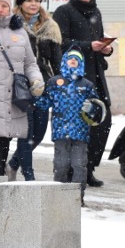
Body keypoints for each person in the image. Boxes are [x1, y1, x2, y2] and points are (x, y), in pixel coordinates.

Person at [52, 0, 113, 187]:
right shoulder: (64, 12)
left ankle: (88, 167)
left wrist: (106, 48)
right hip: (74, 80)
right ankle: (70, 170)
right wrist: (89, 46)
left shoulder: (96, 12)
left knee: (102, 122)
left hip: (95, 77)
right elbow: (61, 43)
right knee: (77, 125)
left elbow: (99, 39)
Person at [0, 0, 43, 176]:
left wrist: (36, 79)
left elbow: (30, 62)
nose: (0, 9)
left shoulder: (19, 31)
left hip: (11, 100)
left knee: (1, 147)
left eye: (4, 6)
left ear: (10, 8)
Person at [6, 0, 62, 181]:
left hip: (43, 86)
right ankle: (29, 177)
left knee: (38, 133)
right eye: (30, 0)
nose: (34, 4)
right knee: (26, 132)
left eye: (37, 1)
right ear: (21, 3)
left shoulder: (50, 27)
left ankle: (13, 164)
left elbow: (56, 61)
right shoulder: (11, 24)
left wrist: (58, 83)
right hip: (20, 85)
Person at [35, 47, 103, 206]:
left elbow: (96, 105)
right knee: (61, 164)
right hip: (61, 130)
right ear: (64, 61)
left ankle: (77, 197)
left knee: (79, 165)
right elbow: (44, 103)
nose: (73, 61)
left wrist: (91, 108)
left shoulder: (86, 85)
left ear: (81, 63)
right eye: (70, 58)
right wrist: (36, 95)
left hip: (80, 132)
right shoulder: (55, 82)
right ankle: (58, 195)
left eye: (76, 59)